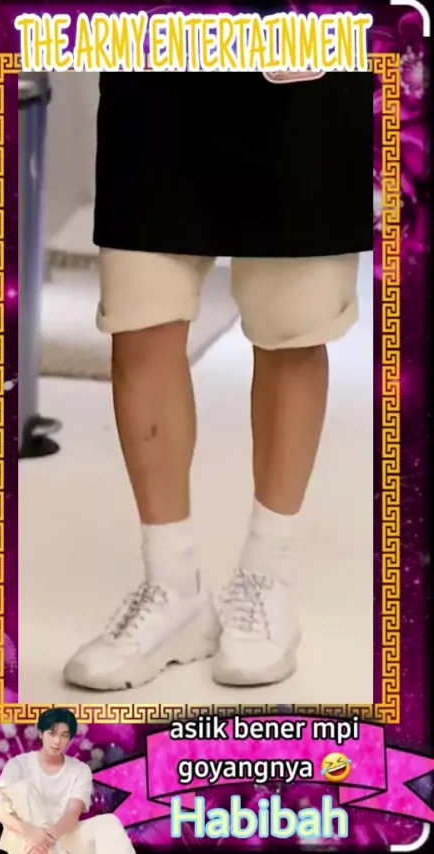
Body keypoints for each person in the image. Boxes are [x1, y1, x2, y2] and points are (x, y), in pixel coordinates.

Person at [63, 68, 373, 691]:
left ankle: (266, 575)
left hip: (302, 59)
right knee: (139, 310)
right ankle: (171, 587)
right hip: (159, 51)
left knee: (292, 322)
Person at [0, 708, 134, 854]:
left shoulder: (80, 770)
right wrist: (32, 833)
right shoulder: (17, 765)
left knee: (109, 822)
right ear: (41, 733)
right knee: (23, 788)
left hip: (61, 834)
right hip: (24, 837)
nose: (57, 741)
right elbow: (2, 813)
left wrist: (48, 837)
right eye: (52, 733)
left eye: (64, 735)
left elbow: (72, 813)